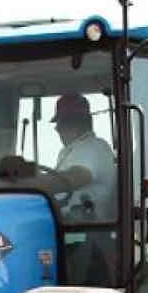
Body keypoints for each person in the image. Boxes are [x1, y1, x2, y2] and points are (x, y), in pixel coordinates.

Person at [49, 92, 117, 220]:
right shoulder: (69, 151)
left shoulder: (93, 147)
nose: (57, 129)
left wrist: (27, 182)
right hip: (67, 221)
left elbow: (71, 178)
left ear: (76, 123)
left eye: (60, 124)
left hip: (85, 229)